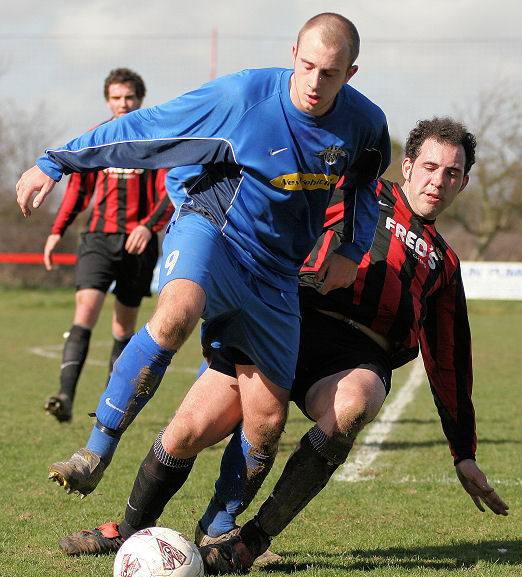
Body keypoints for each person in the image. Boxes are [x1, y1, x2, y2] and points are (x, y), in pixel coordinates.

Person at [55, 118, 509, 569]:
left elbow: (450, 359)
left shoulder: (444, 263)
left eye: (452, 173)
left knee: (356, 401)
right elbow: (269, 213)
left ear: (464, 182)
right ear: (407, 167)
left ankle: (245, 541)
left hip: (353, 359)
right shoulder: (353, 193)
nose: (438, 181)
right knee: (187, 431)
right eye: (430, 167)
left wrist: (463, 452)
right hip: (284, 321)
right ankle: (131, 531)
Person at [17, 13, 390, 502]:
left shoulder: (365, 123)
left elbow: (365, 182)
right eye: (309, 66)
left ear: (351, 74)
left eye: (331, 73)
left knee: (267, 419)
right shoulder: (242, 99)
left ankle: (217, 533)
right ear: (293, 55)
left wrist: (352, 249)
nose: (316, 83)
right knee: (177, 312)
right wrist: (58, 160)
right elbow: (149, 128)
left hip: (277, 271)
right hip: (212, 229)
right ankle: (94, 451)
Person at [42, 68, 172, 423]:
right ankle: (64, 396)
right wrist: (57, 229)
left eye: (129, 97)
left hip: (138, 244)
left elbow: (169, 192)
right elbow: (77, 190)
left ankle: (108, 408)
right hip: (98, 239)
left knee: (122, 329)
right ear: (107, 100)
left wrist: (148, 226)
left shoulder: (155, 139)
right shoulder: (96, 138)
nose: (123, 104)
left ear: (140, 99)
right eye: (116, 98)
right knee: (85, 312)